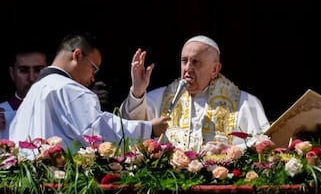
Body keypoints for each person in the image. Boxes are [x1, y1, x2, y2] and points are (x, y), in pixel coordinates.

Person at [9, 31, 170, 159]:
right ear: (77, 55)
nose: (93, 77)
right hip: (60, 188)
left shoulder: (33, 93)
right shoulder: (69, 89)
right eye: (94, 68)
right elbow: (97, 131)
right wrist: (148, 128)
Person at [120, 35, 270, 151]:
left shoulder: (245, 104)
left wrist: (230, 150)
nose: (187, 68)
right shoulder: (160, 98)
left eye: (196, 62)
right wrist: (138, 92)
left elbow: (264, 145)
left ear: (215, 69)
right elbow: (130, 129)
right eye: (184, 61)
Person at [0, 49, 47, 139]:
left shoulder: (60, 111)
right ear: (12, 73)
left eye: (38, 70)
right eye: (24, 70)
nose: (32, 78)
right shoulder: (2, 111)